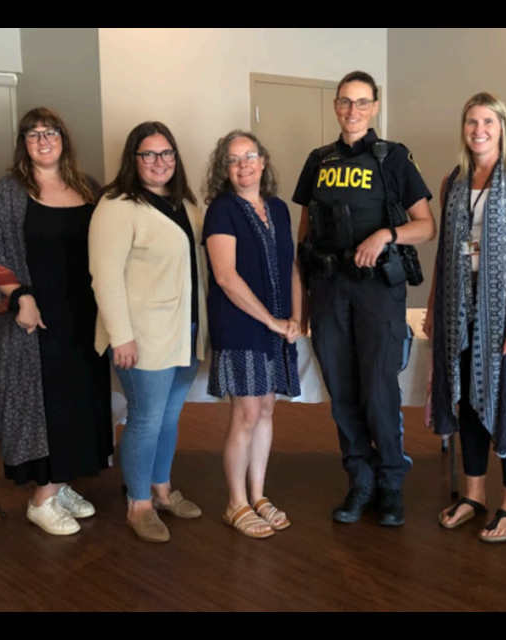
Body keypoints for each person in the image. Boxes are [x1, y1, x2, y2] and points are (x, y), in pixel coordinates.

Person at [293, 71, 436, 527]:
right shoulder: (318, 160)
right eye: (345, 102)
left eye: (362, 103)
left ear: (374, 107)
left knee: (378, 390)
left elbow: (426, 225)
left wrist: (385, 234)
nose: (352, 111)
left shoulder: (393, 158)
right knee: (342, 391)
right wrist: (302, 304)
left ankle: (391, 482)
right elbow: (304, 234)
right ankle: (361, 481)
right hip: (330, 290)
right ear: (335, 106)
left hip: (378, 291)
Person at [0, 108, 113, 537]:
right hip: (33, 321)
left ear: (63, 138)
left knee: (78, 400)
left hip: (84, 315)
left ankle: (61, 482)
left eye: (50, 132)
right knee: (45, 405)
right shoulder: (7, 192)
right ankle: (41, 499)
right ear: (24, 144)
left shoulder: (88, 189)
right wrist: (21, 297)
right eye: (33, 134)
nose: (42, 140)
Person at [430, 92, 506, 544]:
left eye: (488, 122)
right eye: (471, 122)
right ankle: (474, 495)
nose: (479, 130)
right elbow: (447, 252)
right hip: (459, 310)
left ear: (501, 127)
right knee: (466, 401)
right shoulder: (454, 181)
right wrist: (435, 308)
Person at [90, 122, 208, 544]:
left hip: (184, 331)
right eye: (149, 155)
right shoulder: (117, 205)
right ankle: (138, 504)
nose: (160, 163)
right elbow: (104, 276)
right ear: (133, 160)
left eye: (167, 154)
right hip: (142, 335)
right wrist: (121, 335)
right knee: (146, 417)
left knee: (170, 416)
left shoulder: (187, 205)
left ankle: (161, 489)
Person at [203, 131, 302, 539]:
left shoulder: (278, 208)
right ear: (224, 170)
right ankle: (235, 503)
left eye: (250, 156)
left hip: (277, 324)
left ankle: (258, 495)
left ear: (263, 162)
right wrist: (271, 321)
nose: (243, 165)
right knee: (245, 413)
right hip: (242, 324)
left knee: (266, 410)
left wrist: (296, 315)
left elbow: (292, 267)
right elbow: (226, 277)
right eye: (233, 160)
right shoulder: (221, 211)